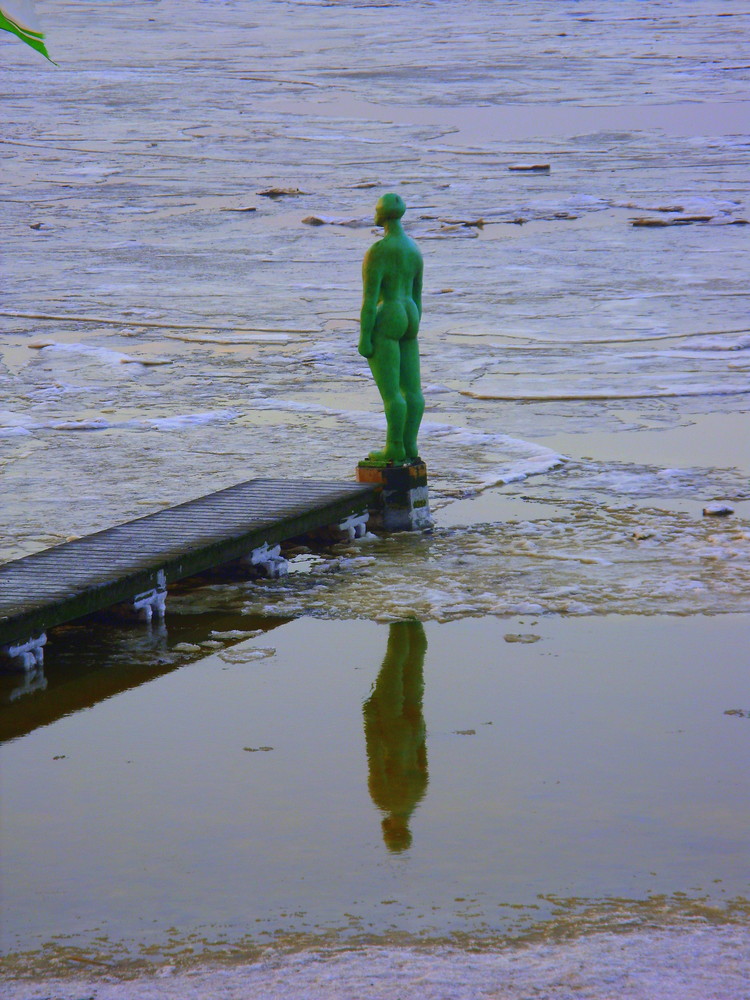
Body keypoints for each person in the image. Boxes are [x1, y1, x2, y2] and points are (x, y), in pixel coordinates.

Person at [359, 194, 424, 465]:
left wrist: (364, 337)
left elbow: (370, 301)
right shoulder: (413, 249)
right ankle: (410, 444)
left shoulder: (378, 251)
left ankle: (394, 447)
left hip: (390, 315)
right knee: (413, 389)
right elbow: (418, 295)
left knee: (392, 392)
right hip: (411, 313)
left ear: (382, 215)